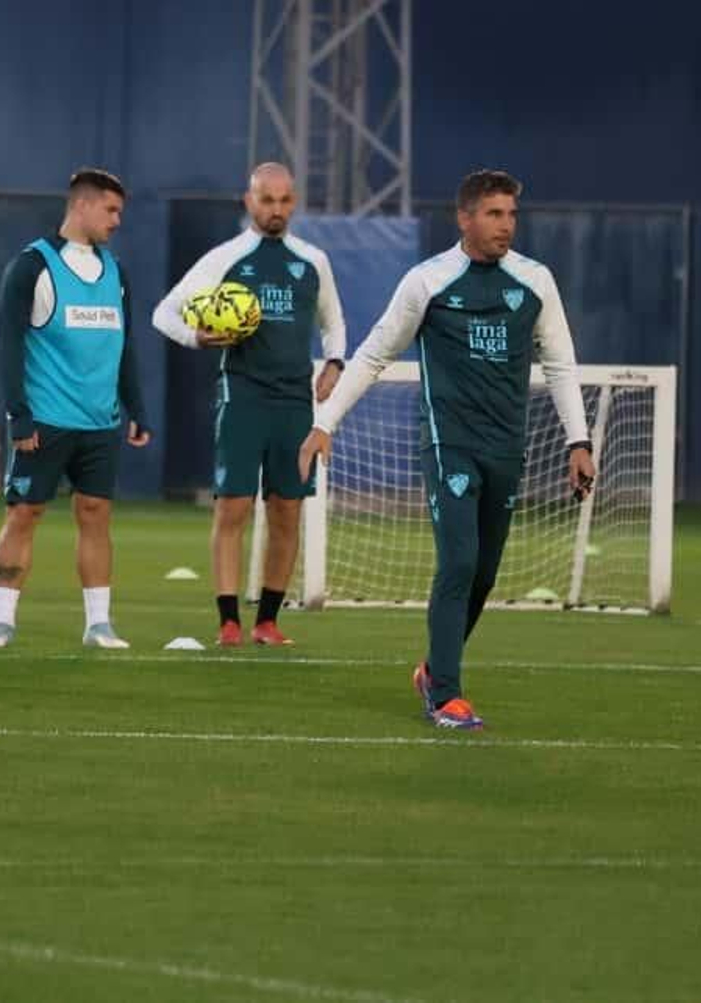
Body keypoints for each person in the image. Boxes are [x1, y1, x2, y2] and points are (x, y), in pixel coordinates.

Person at [300, 169, 596, 730]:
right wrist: (325, 423)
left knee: (483, 576)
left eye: (511, 214)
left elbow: (559, 364)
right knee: (459, 562)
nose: (505, 225)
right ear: (465, 218)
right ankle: (446, 696)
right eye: (493, 214)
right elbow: (372, 355)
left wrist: (578, 440)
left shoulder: (535, 281)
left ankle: (432, 669)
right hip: (448, 445)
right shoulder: (427, 281)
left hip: (507, 448)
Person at [151, 163, 346, 646]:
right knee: (232, 509)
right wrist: (196, 338)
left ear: (294, 202)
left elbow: (333, 323)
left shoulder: (312, 261)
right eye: (266, 200)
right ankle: (229, 622)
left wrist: (336, 362)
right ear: (248, 201)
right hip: (242, 399)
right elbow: (163, 313)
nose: (275, 209)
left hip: (295, 404)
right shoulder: (226, 258)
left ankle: (268, 622)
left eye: (283, 200)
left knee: (287, 512)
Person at [0, 168, 151, 650]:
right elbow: (7, 344)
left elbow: (124, 344)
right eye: (111, 210)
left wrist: (136, 406)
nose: (117, 221)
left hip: (100, 423)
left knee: (95, 514)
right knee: (24, 514)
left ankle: (99, 625)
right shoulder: (33, 266)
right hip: (45, 422)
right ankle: (3, 621)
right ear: (82, 206)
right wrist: (19, 415)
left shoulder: (116, 273)